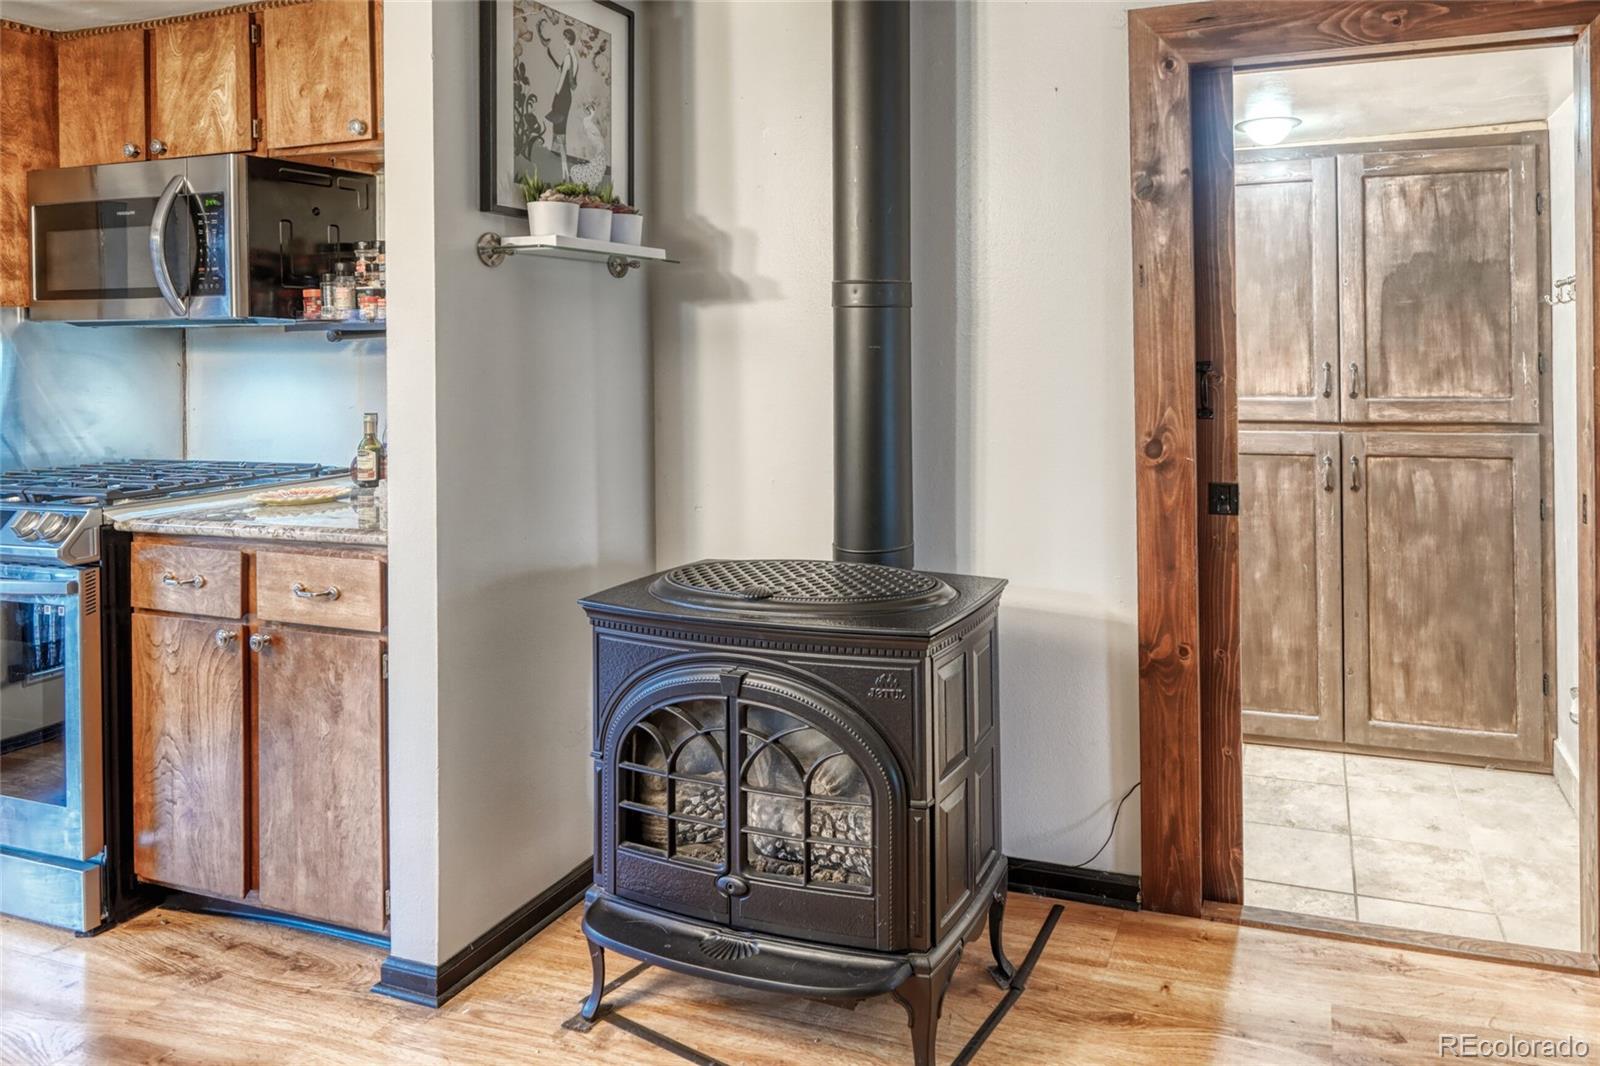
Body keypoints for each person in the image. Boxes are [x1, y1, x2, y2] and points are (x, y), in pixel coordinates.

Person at [544, 27, 578, 180]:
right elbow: (564, 72)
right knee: (560, 134)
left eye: (565, 38)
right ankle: (564, 173)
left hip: (561, 96)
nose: (563, 41)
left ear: (568, 39)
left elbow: (562, 79)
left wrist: (554, 98)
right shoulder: (574, 58)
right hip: (568, 97)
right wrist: (550, 56)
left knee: (558, 133)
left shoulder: (568, 57)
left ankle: (560, 170)